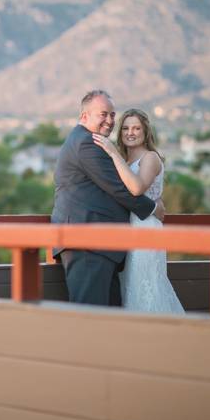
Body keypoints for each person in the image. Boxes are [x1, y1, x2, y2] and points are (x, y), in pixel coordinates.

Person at [51, 90, 164, 306]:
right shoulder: (86, 144)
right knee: (90, 315)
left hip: (100, 245)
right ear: (84, 116)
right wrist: (152, 208)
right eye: (103, 114)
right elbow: (119, 189)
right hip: (86, 243)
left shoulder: (89, 141)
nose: (110, 120)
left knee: (107, 315)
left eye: (112, 115)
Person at [91, 108, 185, 314]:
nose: (130, 133)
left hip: (146, 230)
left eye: (136, 128)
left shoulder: (149, 158)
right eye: (125, 128)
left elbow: (136, 188)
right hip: (127, 231)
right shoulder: (126, 162)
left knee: (147, 287)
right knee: (130, 287)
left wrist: (112, 152)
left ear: (145, 132)